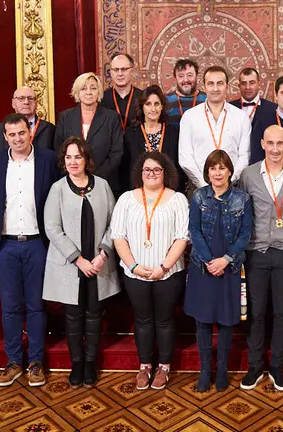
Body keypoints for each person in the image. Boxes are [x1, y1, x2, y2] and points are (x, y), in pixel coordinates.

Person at [0, 113, 61, 387]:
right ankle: (13, 361)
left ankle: (36, 362)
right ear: (5, 137)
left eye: (21, 133)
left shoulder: (48, 160)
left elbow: (56, 200)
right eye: (11, 134)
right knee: (10, 306)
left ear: (30, 132)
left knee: (36, 305)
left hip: (37, 243)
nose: (17, 139)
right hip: (5, 244)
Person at [42, 137, 119, 389]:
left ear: (87, 159)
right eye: (68, 157)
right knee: (73, 316)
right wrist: (78, 259)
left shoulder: (103, 186)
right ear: (63, 161)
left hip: (98, 264)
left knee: (94, 314)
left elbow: (114, 224)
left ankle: (90, 362)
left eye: (78, 156)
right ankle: (76, 363)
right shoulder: (58, 189)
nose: (73, 162)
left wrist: (102, 255)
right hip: (71, 265)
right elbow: (52, 228)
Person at [111, 152, 189, 391]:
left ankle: (164, 367)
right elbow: (118, 235)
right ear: (140, 172)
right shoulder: (126, 199)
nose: (152, 174)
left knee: (164, 320)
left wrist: (163, 266)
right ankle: (144, 366)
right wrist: (134, 265)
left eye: (157, 169)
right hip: (135, 273)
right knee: (143, 320)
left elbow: (182, 237)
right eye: (147, 170)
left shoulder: (177, 200)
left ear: (165, 172)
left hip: (169, 272)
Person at [238, 125, 283, 392]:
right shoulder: (248, 174)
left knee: (281, 311)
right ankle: (255, 365)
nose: (276, 149)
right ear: (262, 144)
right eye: (271, 143)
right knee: (256, 312)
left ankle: (277, 365)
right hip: (256, 252)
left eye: (281, 143)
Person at [186, 150, 253, 392]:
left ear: (229, 172)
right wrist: (208, 260)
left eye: (222, 168)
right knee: (202, 320)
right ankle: (205, 371)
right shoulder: (198, 197)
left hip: (230, 266)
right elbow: (194, 230)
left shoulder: (242, 199)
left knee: (226, 320)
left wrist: (225, 259)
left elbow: (246, 233)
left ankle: (222, 370)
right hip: (202, 268)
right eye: (213, 168)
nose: (217, 173)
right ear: (207, 172)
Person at [179, 66, 251, 191]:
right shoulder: (189, 117)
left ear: (227, 86)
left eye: (220, 84)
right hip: (198, 188)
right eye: (211, 84)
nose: (215, 88)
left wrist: (227, 182)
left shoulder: (241, 117)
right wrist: (204, 184)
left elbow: (245, 156)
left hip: (232, 188)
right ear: (204, 86)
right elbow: (185, 158)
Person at [54, 72, 124, 194]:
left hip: (104, 182)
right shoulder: (65, 117)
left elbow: (116, 152)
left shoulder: (111, 117)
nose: (88, 92)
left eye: (93, 88)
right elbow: (59, 149)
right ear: (77, 92)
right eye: (83, 88)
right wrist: (75, 175)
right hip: (72, 183)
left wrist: (94, 178)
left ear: (99, 92)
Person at [0, 86, 55, 181]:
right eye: (21, 98)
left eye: (31, 98)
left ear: (37, 103)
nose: (26, 102)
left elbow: (56, 164)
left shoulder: (50, 129)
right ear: (13, 103)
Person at [123, 84, 183, 191]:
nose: (153, 109)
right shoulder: (130, 134)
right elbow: (125, 168)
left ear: (162, 106)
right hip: (139, 192)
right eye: (148, 104)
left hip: (168, 192)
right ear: (142, 107)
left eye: (156, 104)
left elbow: (179, 167)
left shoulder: (174, 133)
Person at [102, 53, 143, 131]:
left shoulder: (143, 97)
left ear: (132, 71)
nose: (120, 74)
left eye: (124, 69)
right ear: (110, 72)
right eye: (116, 69)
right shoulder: (102, 99)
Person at [165, 59, 207, 127]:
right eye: (181, 76)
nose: (186, 80)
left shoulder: (207, 100)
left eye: (190, 75)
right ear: (175, 79)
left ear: (197, 76)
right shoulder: (165, 101)